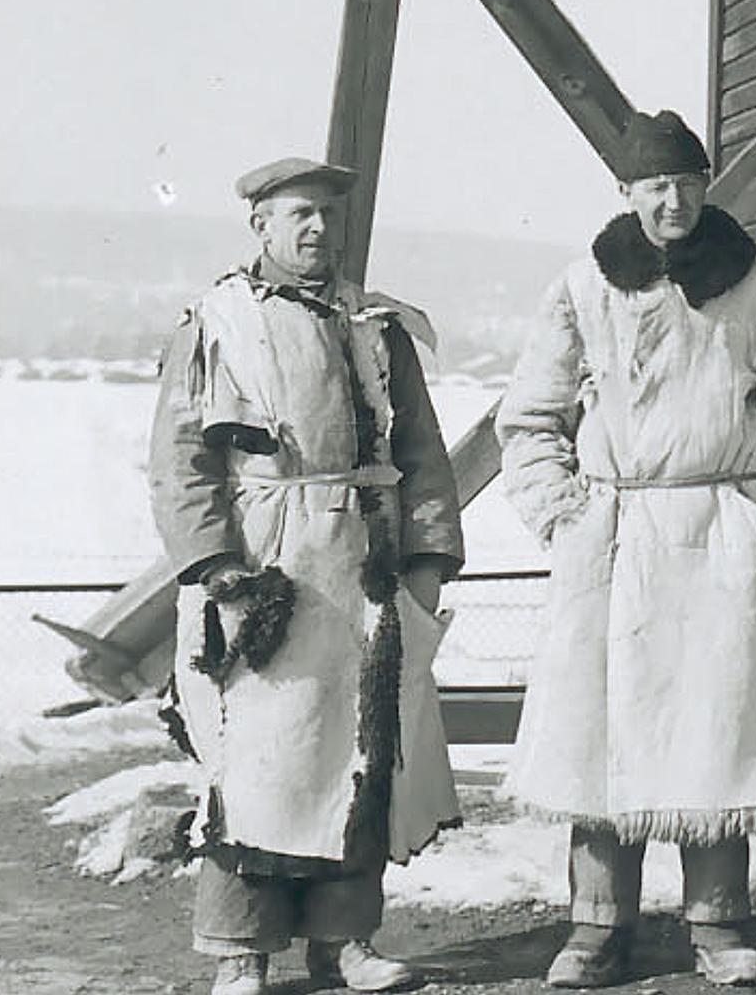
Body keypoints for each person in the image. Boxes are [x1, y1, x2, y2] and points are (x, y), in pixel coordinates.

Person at [496, 109, 756, 988]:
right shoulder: (583, 289)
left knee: (716, 729)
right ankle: (596, 926)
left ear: (705, 188)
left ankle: (719, 924)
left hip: (721, 536)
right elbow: (529, 419)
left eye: (687, 184)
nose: (673, 202)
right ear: (626, 192)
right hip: (612, 538)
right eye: (655, 186)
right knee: (600, 731)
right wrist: (562, 513)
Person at [148, 157, 465, 995]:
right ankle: (240, 950)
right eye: (299, 214)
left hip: (364, 566)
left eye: (328, 213)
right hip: (265, 566)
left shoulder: (378, 327)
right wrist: (219, 567)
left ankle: (345, 941)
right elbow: (182, 461)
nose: (318, 228)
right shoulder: (218, 322)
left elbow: (422, 455)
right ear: (261, 225)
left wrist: (427, 561)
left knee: (361, 752)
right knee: (258, 761)